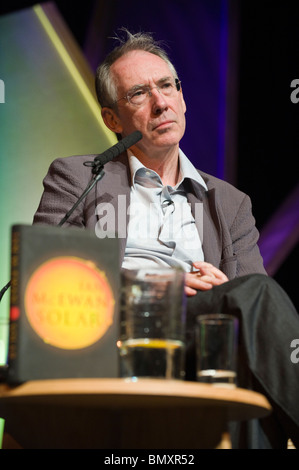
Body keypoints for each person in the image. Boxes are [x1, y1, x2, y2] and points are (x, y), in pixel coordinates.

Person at [33, 30, 299, 449]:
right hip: (117, 339)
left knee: (247, 325)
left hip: (207, 339)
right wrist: (160, 290)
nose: (161, 102)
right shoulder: (79, 177)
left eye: (167, 86)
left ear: (182, 97)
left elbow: (254, 304)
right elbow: (47, 279)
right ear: (112, 119)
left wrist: (223, 293)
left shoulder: (230, 203)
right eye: (139, 93)